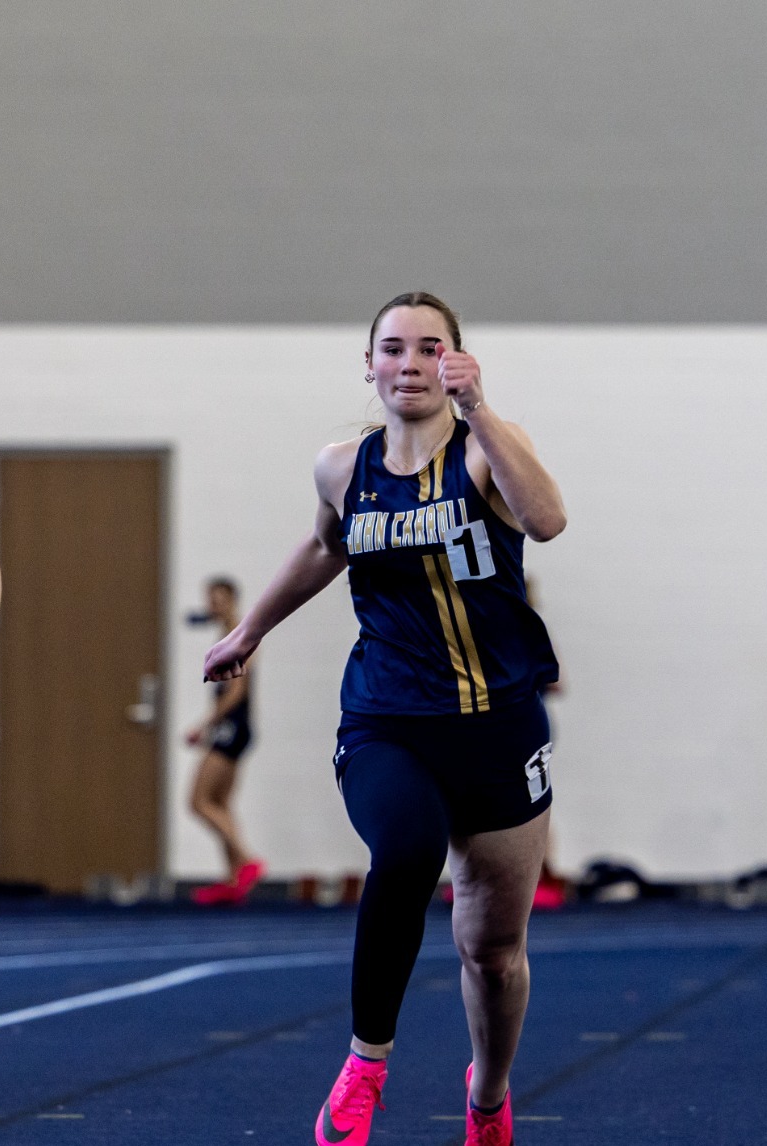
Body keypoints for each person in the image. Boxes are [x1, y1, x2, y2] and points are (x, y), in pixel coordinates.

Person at [205, 293, 565, 1146]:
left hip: (498, 725)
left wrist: (481, 409)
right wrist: (250, 629)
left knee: (493, 950)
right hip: (387, 718)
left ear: (456, 361)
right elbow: (327, 545)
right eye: (392, 349)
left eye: (429, 348)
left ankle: (488, 1095)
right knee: (404, 849)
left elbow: (547, 519)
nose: (409, 363)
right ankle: (366, 1065)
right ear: (367, 365)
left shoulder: (484, 457)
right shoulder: (342, 466)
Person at [185, 576, 265, 904]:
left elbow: (236, 692)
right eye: (210, 600)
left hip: (231, 727)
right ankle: (233, 879)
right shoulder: (229, 635)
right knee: (220, 803)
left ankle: (246, 860)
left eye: (218, 600)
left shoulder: (242, 637)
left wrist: (203, 725)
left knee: (199, 802)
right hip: (234, 728)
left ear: (231, 600)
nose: (212, 607)